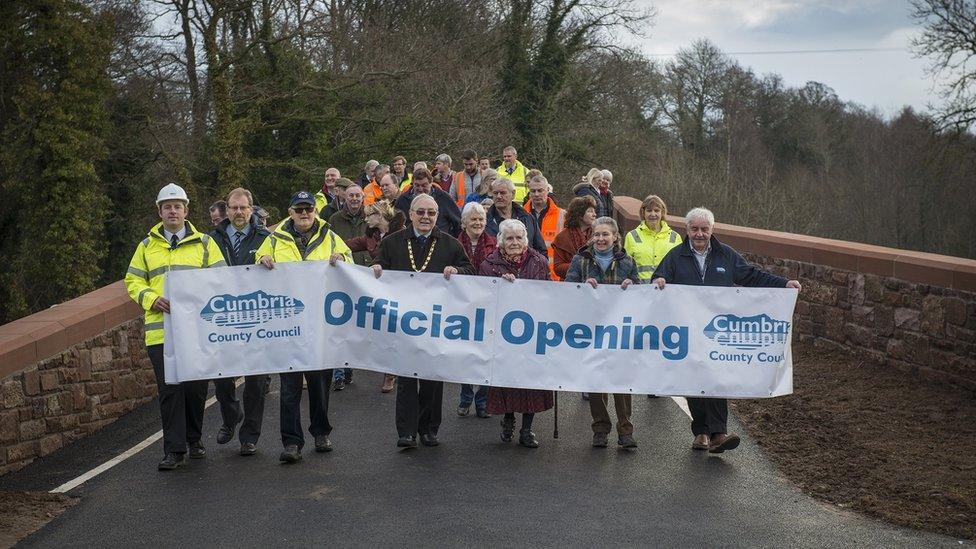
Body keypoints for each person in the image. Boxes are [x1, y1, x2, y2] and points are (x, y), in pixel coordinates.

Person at [652, 207, 802, 453]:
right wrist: (658, 281)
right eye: (695, 229)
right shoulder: (675, 256)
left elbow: (752, 276)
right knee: (692, 379)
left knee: (714, 378)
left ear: (712, 230)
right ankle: (700, 431)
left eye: (704, 229)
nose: (699, 234)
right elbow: (659, 277)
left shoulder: (726, 255)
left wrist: (783, 284)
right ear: (686, 230)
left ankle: (718, 434)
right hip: (685, 329)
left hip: (716, 332)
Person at [125, 183, 226, 470]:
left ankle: (194, 441)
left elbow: (219, 279)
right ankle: (174, 450)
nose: (172, 210)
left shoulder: (205, 243)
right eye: (167, 206)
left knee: (195, 387)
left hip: (197, 329)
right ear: (159, 211)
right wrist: (151, 298)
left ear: (186, 210)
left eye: (177, 206)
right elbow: (133, 281)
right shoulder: (146, 246)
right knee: (170, 390)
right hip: (161, 331)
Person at [256, 191, 353, 463]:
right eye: (299, 209)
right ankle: (291, 442)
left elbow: (351, 263)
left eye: (308, 209)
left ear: (315, 211)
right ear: (290, 212)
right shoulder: (273, 240)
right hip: (287, 326)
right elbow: (256, 268)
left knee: (319, 385)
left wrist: (342, 261)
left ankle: (321, 432)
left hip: (320, 325)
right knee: (289, 387)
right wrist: (262, 261)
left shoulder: (331, 237)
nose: (304, 214)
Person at [371, 194, 475, 448]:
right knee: (406, 378)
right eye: (421, 212)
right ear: (411, 214)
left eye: (431, 213)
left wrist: (457, 271)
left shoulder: (450, 245)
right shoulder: (393, 242)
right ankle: (406, 432)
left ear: (437, 216)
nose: (426, 217)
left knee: (432, 378)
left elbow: (470, 271)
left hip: (436, 323)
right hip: (403, 322)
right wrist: (375, 268)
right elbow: (378, 264)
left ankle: (429, 429)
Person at [564, 216, 640, 449]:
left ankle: (625, 430)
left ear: (615, 237)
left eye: (605, 234)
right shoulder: (580, 260)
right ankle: (600, 428)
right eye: (596, 234)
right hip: (590, 329)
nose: (600, 239)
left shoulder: (627, 261)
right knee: (596, 380)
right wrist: (581, 287)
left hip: (618, 330)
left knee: (621, 380)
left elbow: (639, 291)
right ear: (591, 237)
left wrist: (632, 285)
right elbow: (568, 288)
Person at [208, 188, 273, 456]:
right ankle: (230, 415)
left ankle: (250, 435)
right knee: (222, 378)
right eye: (233, 208)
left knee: (256, 381)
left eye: (243, 208)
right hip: (223, 319)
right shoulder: (211, 239)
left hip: (256, 319)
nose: (238, 212)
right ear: (227, 210)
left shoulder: (267, 238)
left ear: (251, 209)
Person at [479, 219, 554, 448]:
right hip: (503, 334)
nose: (514, 242)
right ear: (501, 241)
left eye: (518, 238)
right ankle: (508, 418)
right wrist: (499, 285)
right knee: (507, 381)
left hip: (532, 334)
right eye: (509, 238)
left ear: (526, 240)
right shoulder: (489, 265)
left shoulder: (539, 261)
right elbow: (481, 296)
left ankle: (527, 429)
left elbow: (550, 293)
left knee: (530, 382)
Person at [345, 199, 406, 394]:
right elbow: (350, 244)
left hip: (401, 288)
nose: (365, 218)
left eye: (369, 215)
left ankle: (393, 371)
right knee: (384, 329)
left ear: (379, 216)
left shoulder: (402, 233)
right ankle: (389, 369)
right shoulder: (371, 236)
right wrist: (337, 251)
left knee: (398, 329)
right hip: (380, 289)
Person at [455, 202, 496, 419]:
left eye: (481, 219)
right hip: (462, 306)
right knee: (466, 354)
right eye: (473, 219)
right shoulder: (453, 244)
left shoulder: (493, 243)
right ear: (464, 223)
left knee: (485, 354)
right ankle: (465, 396)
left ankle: (483, 401)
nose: (478, 223)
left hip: (487, 305)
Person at [484, 178, 547, 255]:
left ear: (513, 194)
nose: (499, 196)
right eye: (495, 193)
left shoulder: (528, 219)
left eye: (503, 193)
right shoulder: (484, 222)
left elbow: (541, 250)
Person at [394, 168, 461, 236]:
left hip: (440, 242)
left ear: (431, 183)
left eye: (424, 185)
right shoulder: (402, 200)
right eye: (417, 185)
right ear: (412, 184)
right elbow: (395, 225)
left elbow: (458, 223)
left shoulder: (444, 198)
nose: (420, 189)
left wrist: (449, 240)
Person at [523, 175, 565, 280]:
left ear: (547, 190)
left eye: (540, 190)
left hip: (553, 275)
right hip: (526, 274)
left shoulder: (562, 215)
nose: (536, 194)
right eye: (533, 191)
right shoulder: (520, 214)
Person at [329, 183, 369, 266]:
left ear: (362, 198)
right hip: (344, 267)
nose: (354, 198)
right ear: (345, 198)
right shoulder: (334, 219)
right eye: (351, 195)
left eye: (358, 196)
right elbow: (330, 245)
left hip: (368, 267)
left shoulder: (371, 217)